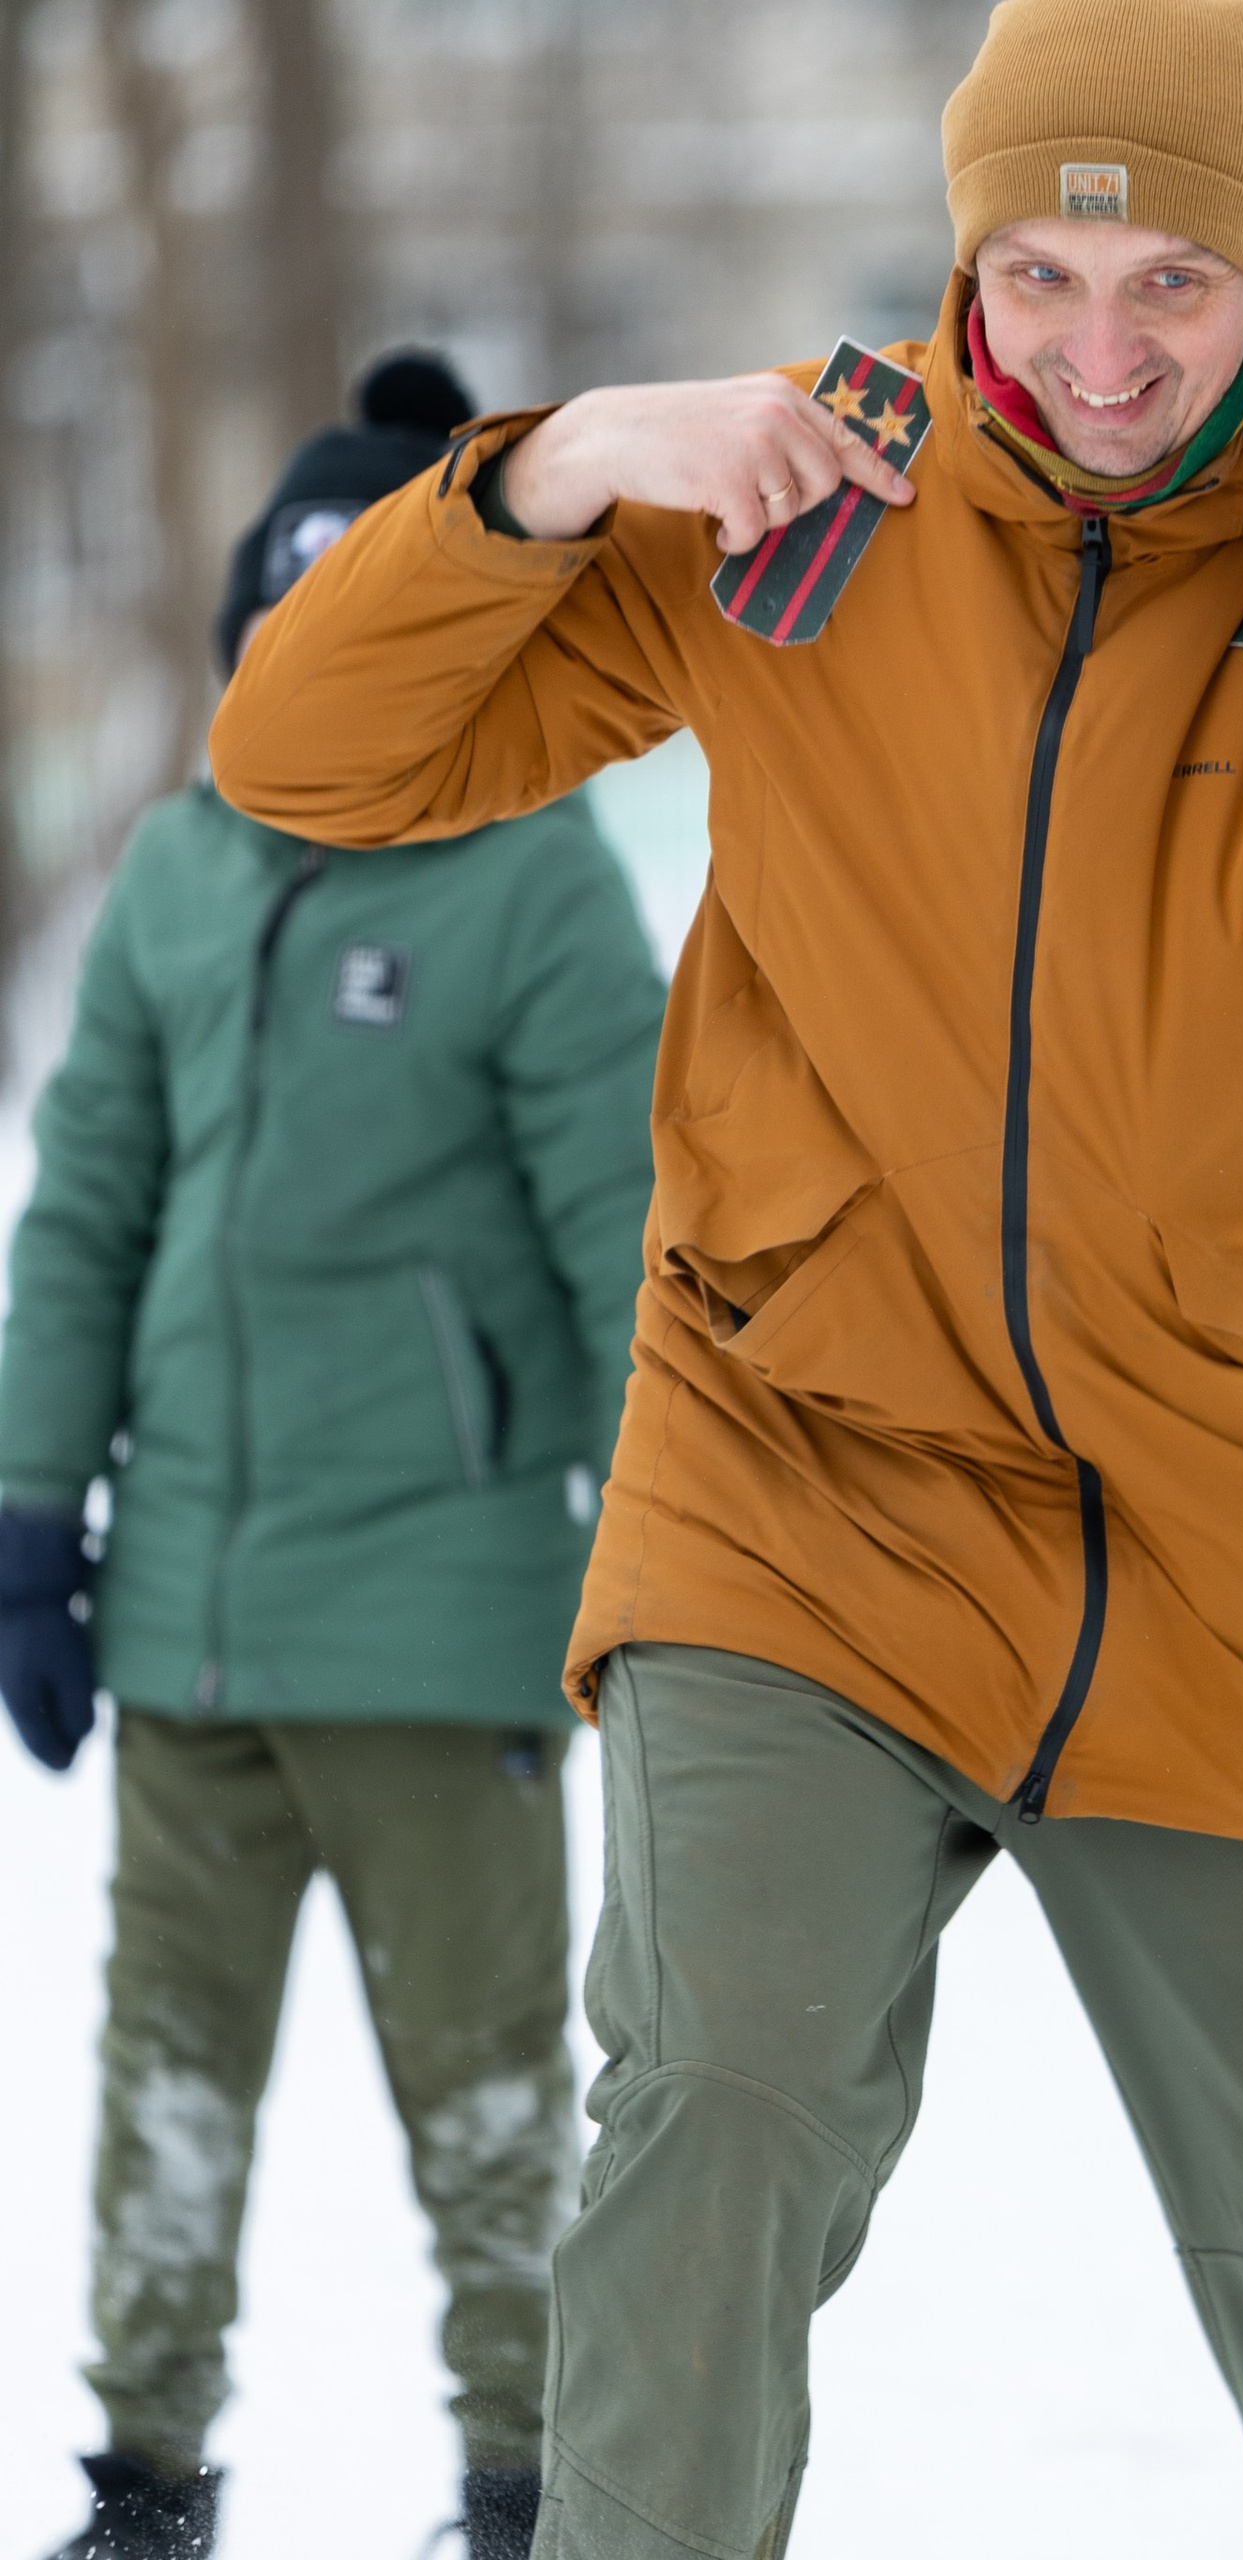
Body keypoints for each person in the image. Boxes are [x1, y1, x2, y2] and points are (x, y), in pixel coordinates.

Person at [207, 3, 1243, 2552]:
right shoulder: (810, 504)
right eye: (1043, 271)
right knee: (710, 2119)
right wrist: (547, 471)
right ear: (967, 255)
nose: (1097, 352)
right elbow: (311, 759)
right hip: (808, 1468)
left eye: (1174, 283)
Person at [0, 351, 665, 2560]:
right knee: (163, 2080)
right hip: (184, 1609)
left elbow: (628, 1249)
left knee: (488, 2098)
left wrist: (651, 1568)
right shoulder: (182, 870)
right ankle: (145, 2480)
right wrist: (28, 1505)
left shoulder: (537, 881)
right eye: (287, 634)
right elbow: (90, 1194)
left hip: (448, 1614)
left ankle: (526, 2479)